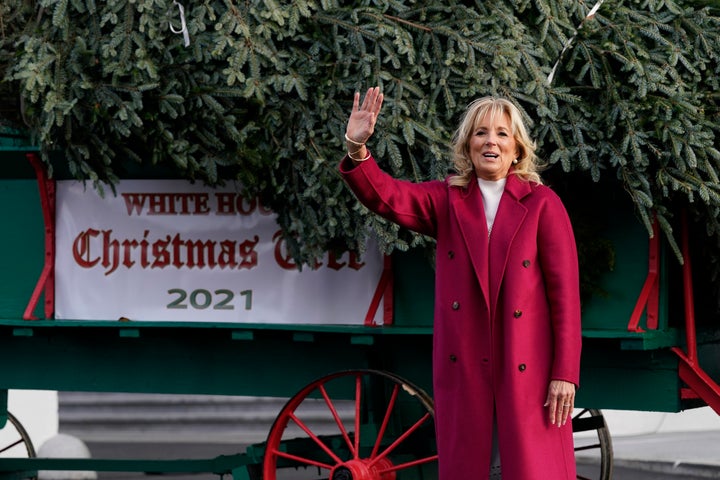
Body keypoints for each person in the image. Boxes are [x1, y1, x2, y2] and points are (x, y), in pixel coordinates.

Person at [338, 87, 582, 480]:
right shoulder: (447, 200)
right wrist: (356, 149)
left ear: (517, 148)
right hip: (467, 365)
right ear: (468, 146)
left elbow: (566, 299)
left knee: (532, 470)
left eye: (502, 133)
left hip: (529, 369)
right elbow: (388, 197)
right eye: (481, 133)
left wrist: (565, 373)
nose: (491, 141)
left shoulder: (542, 203)